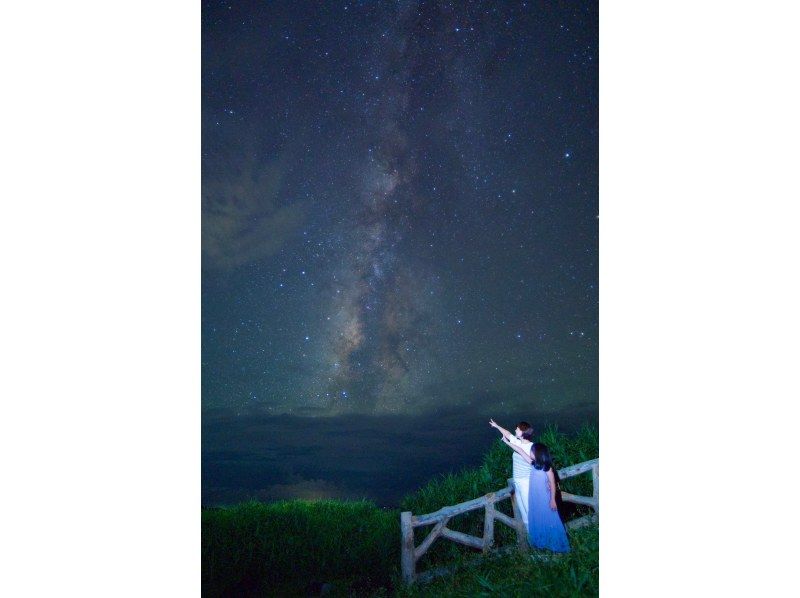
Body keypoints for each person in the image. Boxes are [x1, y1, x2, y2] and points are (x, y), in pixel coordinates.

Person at [504, 440, 570, 553]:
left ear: (538, 453)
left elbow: (553, 484)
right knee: (538, 518)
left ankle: (555, 544)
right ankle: (544, 543)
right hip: (534, 497)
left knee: (549, 518)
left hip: (545, 497)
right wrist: (507, 441)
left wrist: (552, 499)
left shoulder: (547, 468)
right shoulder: (533, 464)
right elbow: (520, 450)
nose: (529, 453)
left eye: (531, 451)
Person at [489, 418, 534, 527]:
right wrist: (496, 426)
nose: (515, 430)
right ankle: (531, 538)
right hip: (517, 482)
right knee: (523, 512)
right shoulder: (518, 442)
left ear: (523, 432)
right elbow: (508, 434)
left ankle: (540, 537)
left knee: (529, 510)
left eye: (517, 429)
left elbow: (532, 462)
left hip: (526, 482)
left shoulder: (532, 447)